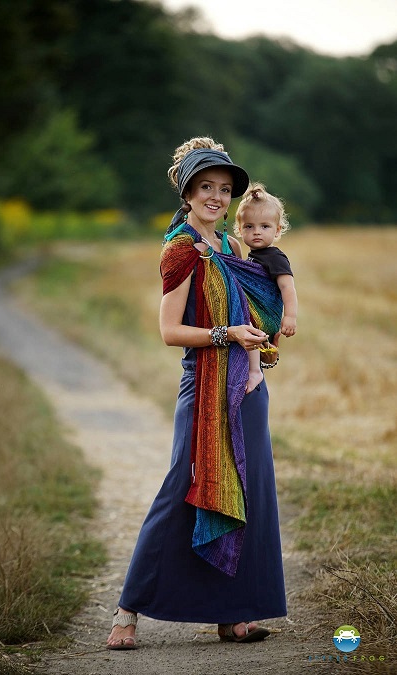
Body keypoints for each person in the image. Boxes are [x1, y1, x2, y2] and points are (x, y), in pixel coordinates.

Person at [106, 137, 287, 650]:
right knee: (182, 487)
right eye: (206, 187)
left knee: (248, 490)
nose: (216, 197)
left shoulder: (231, 246)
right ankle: (127, 611)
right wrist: (226, 335)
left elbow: (258, 306)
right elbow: (168, 331)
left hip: (246, 386)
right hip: (204, 382)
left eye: (225, 189)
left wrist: (261, 333)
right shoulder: (181, 248)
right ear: (187, 192)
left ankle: (234, 615)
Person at [234, 182, 298, 394]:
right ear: (240, 230)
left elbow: (287, 287)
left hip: (266, 317)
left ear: (278, 230)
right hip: (257, 316)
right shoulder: (252, 257)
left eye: (265, 226)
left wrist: (290, 317)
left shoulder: (275, 257)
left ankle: (255, 371)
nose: (256, 232)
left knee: (249, 324)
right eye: (249, 227)